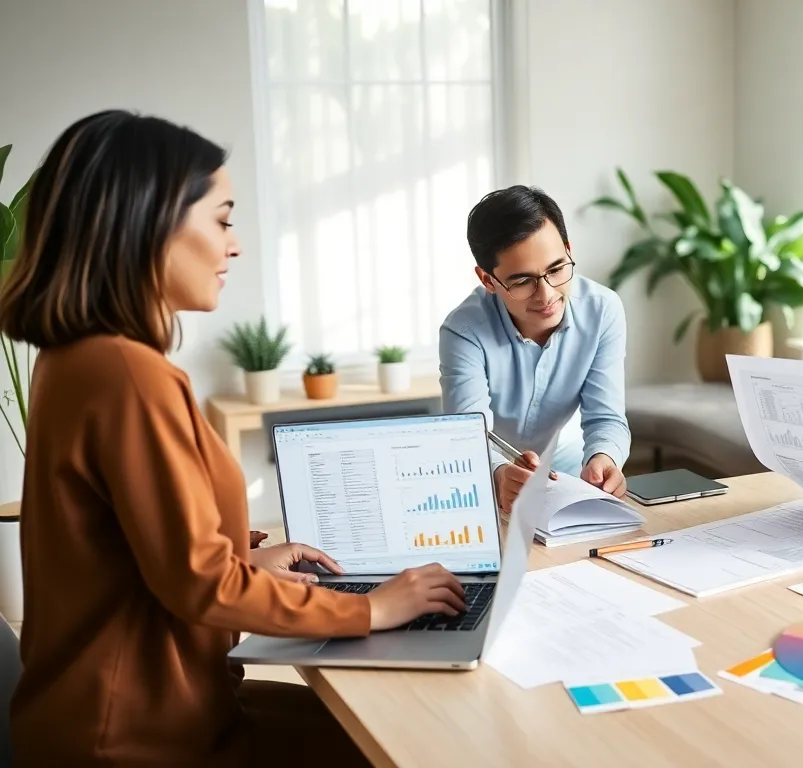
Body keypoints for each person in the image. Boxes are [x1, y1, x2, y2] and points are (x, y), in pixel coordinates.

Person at [2, 110, 467, 765]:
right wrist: (374, 609)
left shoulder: (76, 357)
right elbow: (200, 585)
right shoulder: (124, 372)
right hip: (135, 738)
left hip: (147, 710)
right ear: (150, 222)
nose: (235, 244)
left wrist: (247, 562)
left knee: (388, 730)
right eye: (222, 219)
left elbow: (133, 558)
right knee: (403, 740)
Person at [439, 185, 630, 514]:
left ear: (569, 249)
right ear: (487, 280)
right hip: (485, 480)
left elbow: (607, 417)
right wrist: (499, 474)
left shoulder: (603, 310)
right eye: (523, 281)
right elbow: (468, 435)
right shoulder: (463, 330)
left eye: (556, 269)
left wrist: (605, 457)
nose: (546, 295)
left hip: (567, 477)